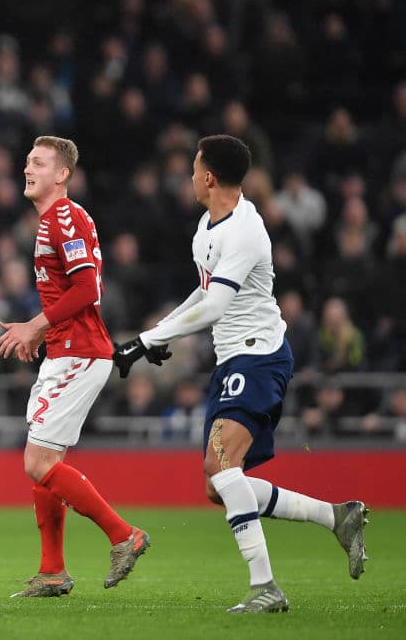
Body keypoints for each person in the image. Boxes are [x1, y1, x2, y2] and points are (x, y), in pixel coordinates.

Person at [112, 135, 369, 613]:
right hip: (232, 360)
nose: (190, 176)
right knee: (218, 485)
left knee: (221, 464)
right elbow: (204, 293)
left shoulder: (246, 230)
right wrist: (158, 333)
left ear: (209, 177)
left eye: (194, 169)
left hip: (259, 357)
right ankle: (337, 517)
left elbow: (215, 306)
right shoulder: (205, 227)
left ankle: (265, 586)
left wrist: (149, 340)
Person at [0, 136, 150, 598]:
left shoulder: (64, 217)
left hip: (80, 352)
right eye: (27, 161)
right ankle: (52, 571)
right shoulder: (52, 220)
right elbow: (74, 291)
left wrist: (34, 325)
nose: (28, 169)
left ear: (62, 174)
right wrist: (42, 334)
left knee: (37, 461)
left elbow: (87, 289)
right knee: (45, 462)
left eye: (39, 163)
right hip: (65, 349)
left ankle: (124, 534)